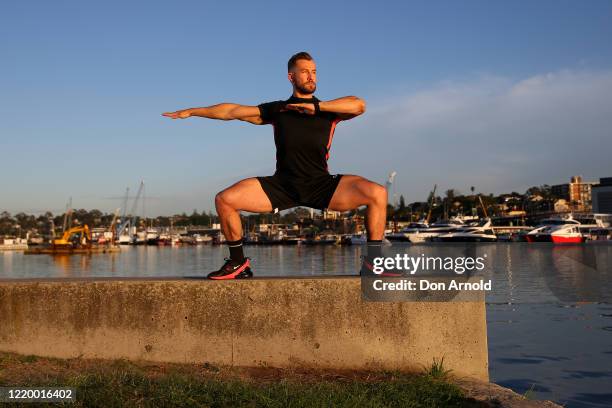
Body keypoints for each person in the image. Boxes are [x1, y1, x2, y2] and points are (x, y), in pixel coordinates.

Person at [163, 52, 387, 279]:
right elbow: (232, 111)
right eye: (304, 72)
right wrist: (192, 112)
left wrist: (317, 109)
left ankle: (373, 264)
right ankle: (238, 263)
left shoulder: (329, 111)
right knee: (225, 199)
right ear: (291, 77)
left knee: (377, 193)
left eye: (314, 72)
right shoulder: (278, 110)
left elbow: (359, 105)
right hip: (283, 184)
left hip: (321, 185)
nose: (311, 77)